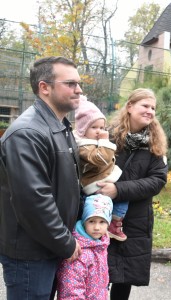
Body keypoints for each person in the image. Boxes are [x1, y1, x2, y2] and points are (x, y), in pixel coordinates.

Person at [0, 56, 82, 299]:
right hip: (31, 253)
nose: (79, 89)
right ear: (44, 87)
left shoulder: (59, 126)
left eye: (78, 83)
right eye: (70, 83)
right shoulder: (27, 133)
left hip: (50, 246)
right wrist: (65, 244)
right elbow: (33, 201)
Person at [96, 88, 168, 299]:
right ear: (129, 107)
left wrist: (119, 190)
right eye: (145, 106)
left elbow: (157, 181)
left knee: (124, 277)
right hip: (101, 215)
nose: (150, 111)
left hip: (135, 220)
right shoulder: (108, 136)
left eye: (153, 108)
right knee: (99, 274)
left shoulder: (154, 144)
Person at [73, 95, 127, 241]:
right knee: (115, 201)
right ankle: (112, 222)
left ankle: (113, 221)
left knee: (123, 196)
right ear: (83, 129)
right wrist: (104, 141)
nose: (99, 131)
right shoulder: (83, 146)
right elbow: (101, 159)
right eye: (94, 127)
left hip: (100, 178)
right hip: (93, 184)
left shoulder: (91, 142)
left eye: (102, 128)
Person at [56, 194, 113, 299]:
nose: (96, 227)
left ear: (108, 223)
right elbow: (71, 291)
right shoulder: (79, 252)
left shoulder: (101, 246)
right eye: (91, 221)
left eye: (102, 222)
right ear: (84, 222)